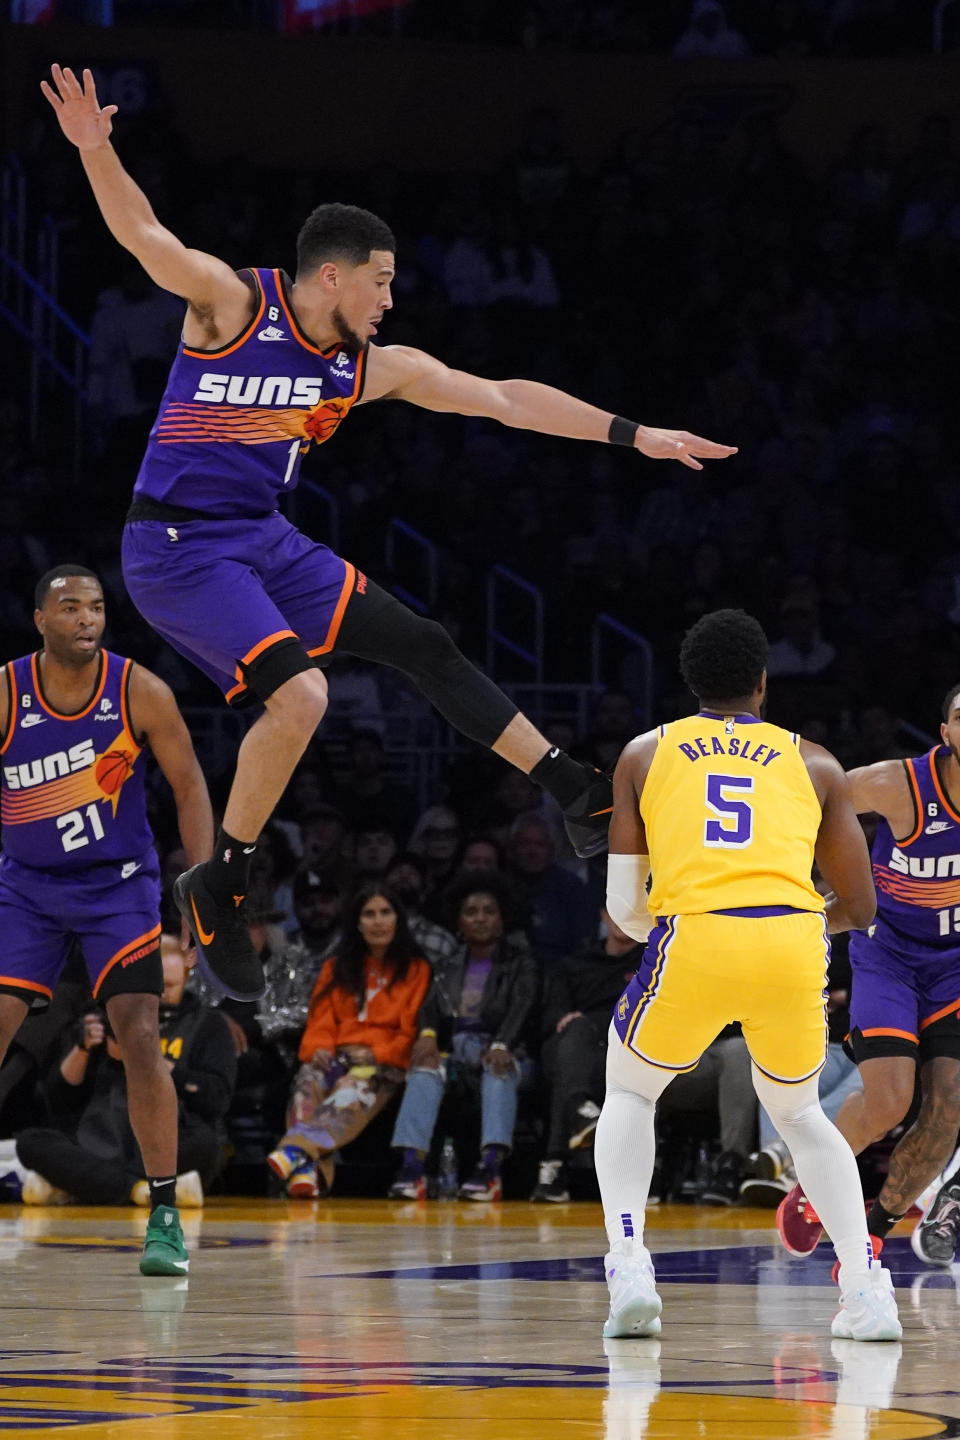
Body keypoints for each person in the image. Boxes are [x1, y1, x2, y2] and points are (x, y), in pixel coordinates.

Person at [41, 66, 737, 1005]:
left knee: (421, 642)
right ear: (333, 274)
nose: (390, 302)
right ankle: (222, 882)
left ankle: (574, 789)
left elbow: (500, 400)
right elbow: (143, 234)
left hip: (260, 536)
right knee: (303, 697)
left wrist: (633, 432)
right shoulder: (233, 307)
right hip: (174, 549)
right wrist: (96, 147)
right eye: (381, 283)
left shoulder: (368, 367)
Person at [595, 608, 900, 1341]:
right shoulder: (818, 762)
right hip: (792, 945)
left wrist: (683, 925)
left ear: (690, 682)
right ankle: (864, 1293)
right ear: (764, 684)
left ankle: (631, 1263)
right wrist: (785, 923)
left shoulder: (644, 753)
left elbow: (620, 912)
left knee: (632, 1091)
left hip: (692, 937)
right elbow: (860, 907)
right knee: (800, 1115)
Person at [0, 565, 213, 1275]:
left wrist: (201, 891)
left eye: (95, 607)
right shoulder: (5, 692)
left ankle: (162, 1217)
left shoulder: (138, 690)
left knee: (141, 1032)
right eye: (69, 607)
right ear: (41, 619)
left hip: (116, 887)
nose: (86, 619)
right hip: (27, 887)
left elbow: (189, 786)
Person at [778, 683, 960, 1268]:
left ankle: (872, 1230)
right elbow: (803, 801)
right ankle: (811, 1187)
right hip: (889, 953)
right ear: (945, 733)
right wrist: (810, 887)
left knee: (948, 1109)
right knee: (887, 1101)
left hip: (954, 963)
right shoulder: (898, 783)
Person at [17, 934, 237, 1208]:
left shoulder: (207, 1023)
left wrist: (147, 1058)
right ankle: (139, 1189)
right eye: (156, 987)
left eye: (170, 985)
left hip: (166, 1139)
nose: (163, 995)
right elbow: (58, 1101)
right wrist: (83, 1050)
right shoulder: (106, 1016)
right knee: (30, 1141)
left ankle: (84, 1185)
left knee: (206, 1144)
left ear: (186, 975)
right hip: (99, 1139)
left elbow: (216, 1099)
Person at [267, 883, 430, 1197]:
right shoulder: (335, 967)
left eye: (386, 912)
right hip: (338, 1055)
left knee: (349, 1092)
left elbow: (409, 1031)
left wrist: (373, 1055)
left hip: (384, 1063)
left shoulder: (416, 969)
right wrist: (320, 1051)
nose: (378, 921)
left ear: (399, 919)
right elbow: (321, 1020)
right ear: (357, 922)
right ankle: (308, 1174)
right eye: (369, 914)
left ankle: (294, 1152)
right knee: (307, 1084)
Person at [388, 871, 539, 1202]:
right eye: (471, 912)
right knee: (425, 1069)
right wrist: (427, 1036)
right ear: (459, 922)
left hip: (510, 1052)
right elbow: (429, 1010)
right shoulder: (446, 964)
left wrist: (502, 1044)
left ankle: (490, 1169)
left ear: (502, 918)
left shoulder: (520, 963)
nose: (480, 918)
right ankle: (413, 1168)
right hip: (457, 1052)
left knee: (498, 1070)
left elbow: (522, 1008)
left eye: (489, 911)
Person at [531, 907, 643, 1203]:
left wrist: (591, 1020)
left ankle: (555, 1163)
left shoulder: (653, 962)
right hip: (573, 1047)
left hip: (627, 1049)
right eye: (616, 908)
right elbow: (554, 1017)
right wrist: (576, 1023)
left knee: (576, 1062)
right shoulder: (577, 962)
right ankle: (580, 1109)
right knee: (572, 1044)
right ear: (603, 915)